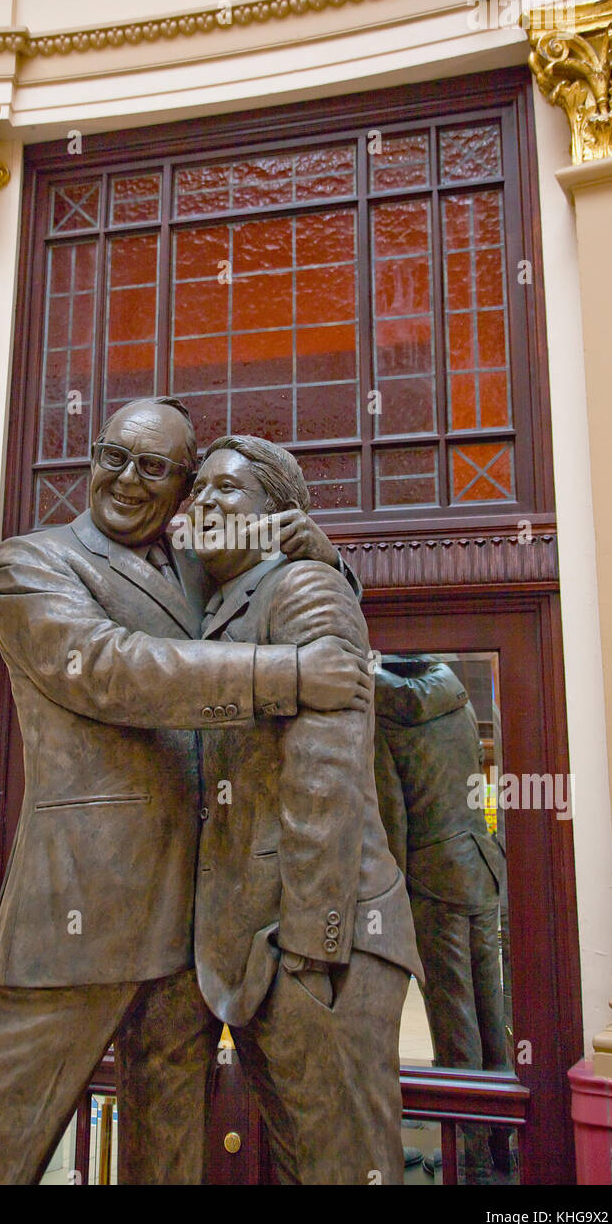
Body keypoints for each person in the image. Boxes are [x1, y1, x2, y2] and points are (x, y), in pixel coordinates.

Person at [0, 397, 368, 1185]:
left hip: (198, 923)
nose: (127, 479)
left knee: (167, 1155)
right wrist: (291, 676)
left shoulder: (201, 560)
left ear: (183, 483)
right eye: (112, 456)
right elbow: (109, 668)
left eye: (155, 467)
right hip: (80, 914)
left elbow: (289, 584)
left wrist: (326, 558)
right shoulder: (32, 564)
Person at [188, 434, 423, 1185]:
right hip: (261, 950)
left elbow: (326, 780)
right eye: (197, 492)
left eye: (227, 490)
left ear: (278, 515)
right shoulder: (221, 603)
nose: (203, 503)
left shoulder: (302, 589)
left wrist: (313, 950)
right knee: (303, 1161)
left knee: (345, 1167)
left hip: (323, 946)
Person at [373, 655, 510, 1179]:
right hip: (481, 864)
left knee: (454, 1024)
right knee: (490, 1016)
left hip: (432, 877)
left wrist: (392, 895)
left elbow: (393, 818)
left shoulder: (383, 716)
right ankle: (503, 1148)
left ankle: (470, 1163)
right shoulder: (458, 698)